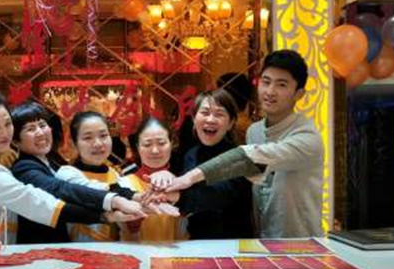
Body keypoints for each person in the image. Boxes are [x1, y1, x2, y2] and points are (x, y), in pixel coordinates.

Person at [152, 50, 324, 238]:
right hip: (261, 241)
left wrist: (188, 178)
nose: (270, 91)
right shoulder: (254, 132)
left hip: (299, 243)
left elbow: (245, 160)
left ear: (299, 94)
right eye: (266, 82)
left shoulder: (307, 137)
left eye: (281, 85)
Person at [0, 95, 140, 246]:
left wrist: (129, 196)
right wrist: (106, 212)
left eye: (7, 124)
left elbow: (79, 185)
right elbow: (42, 201)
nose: (5, 133)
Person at [9, 101, 143, 245]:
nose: (40, 133)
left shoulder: (51, 164)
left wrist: (133, 198)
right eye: (30, 129)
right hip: (39, 248)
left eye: (42, 125)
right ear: (15, 141)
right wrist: (110, 207)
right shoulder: (24, 168)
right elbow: (61, 190)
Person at [179, 89, 254, 239]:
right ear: (194, 118)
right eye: (205, 113)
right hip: (197, 242)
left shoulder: (238, 157)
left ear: (230, 123)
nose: (210, 120)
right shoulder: (190, 155)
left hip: (234, 243)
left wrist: (178, 197)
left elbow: (218, 196)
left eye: (219, 114)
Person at [55, 111, 133, 242]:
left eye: (103, 135)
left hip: (114, 251)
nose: (98, 143)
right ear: (74, 143)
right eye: (88, 138)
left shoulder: (114, 174)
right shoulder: (67, 174)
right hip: (75, 250)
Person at [118, 118, 182, 242]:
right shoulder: (123, 184)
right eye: (147, 144)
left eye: (161, 143)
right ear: (138, 147)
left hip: (179, 252)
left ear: (171, 143)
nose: (155, 150)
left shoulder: (182, 182)